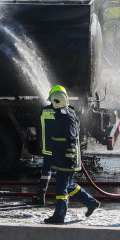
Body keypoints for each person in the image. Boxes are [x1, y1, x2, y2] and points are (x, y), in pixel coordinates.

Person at [36, 85, 100, 224]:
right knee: (67, 185)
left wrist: (70, 157)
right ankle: (91, 202)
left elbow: (70, 139)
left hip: (66, 158)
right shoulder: (61, 114)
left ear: (57, 101)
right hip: (61, 157)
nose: (50, 104)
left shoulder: (67, 117)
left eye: (52, 101)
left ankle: (59, 216)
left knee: (61, 187)